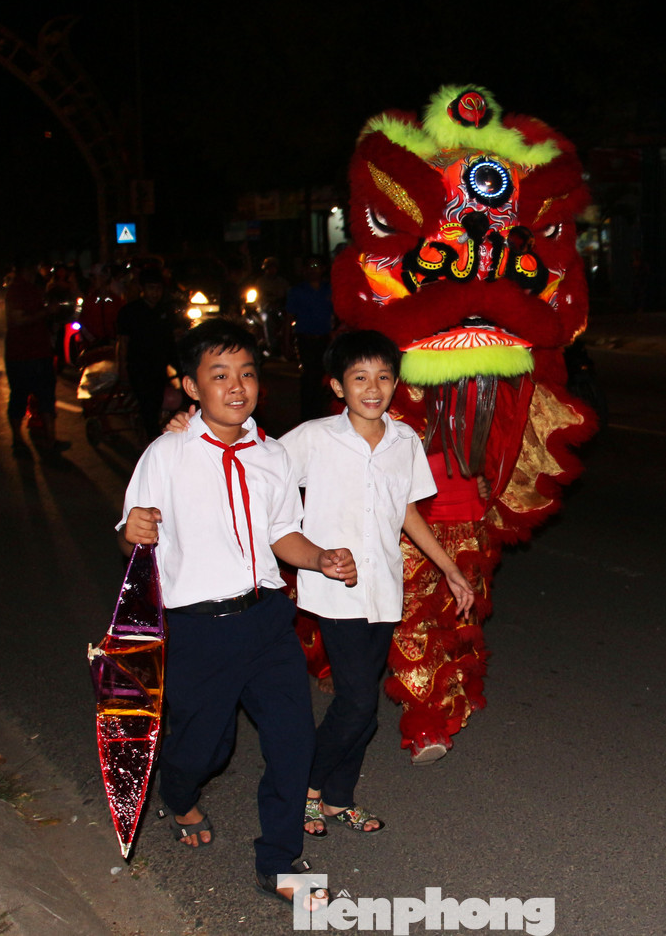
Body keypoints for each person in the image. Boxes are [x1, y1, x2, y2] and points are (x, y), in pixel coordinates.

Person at [117, 318, 352, 909]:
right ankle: (178, 786)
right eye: (219, 375)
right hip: (197, 629)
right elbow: (131, 532)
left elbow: (281, 533)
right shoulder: (166, 453)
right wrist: (135, 532)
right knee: (207, 749)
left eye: (246, 373)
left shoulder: (271, 455)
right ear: (193, 388)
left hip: (267, 619)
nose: (237, 386)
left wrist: (319, 557)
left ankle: (280, 861)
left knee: (292, 741)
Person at [281, 331, 474, 834]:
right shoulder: (312, 437)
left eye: (384, 377)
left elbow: (407, 512)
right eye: (360, 378)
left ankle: (337, 800)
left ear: (396, 383)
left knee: (361, 705)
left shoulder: (404, 440)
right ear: (338, 386)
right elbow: (260, 474)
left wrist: (449, 568)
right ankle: (306, 787)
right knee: (359, 700)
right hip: (334, 587)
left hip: (384, 588)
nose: (373, 388)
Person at [3, 258, 66, 456]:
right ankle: (18, 439)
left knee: (45, 396)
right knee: (20, 397)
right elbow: (18, 319)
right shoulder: (16, 290)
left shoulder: (34, 289)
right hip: (21, 354)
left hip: (39, 351)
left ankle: (50, 439)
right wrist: (46, 312)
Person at [114, 269, 179, 438]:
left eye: (158, 288)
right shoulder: (130, 312)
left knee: (158, 403)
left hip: (159, 366)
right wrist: (122, 367)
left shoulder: (165, 311)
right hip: (138, 366)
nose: (155, 293)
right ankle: (152, 440)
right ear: (142, 288)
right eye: (151, 288)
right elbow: (123, 342)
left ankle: (153, 434)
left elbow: (170, 341)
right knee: (147, 404)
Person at [285, 256, 335, 421]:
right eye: (310, 266)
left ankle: (322, 415)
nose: (314, 269)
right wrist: (287, 342)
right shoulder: (297, 291)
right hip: (305, 339)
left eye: (317, 266)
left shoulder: (330, 289)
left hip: (325, 340)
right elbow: (288, 318)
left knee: (324, 376)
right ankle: (307, 416)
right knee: (308, 377)